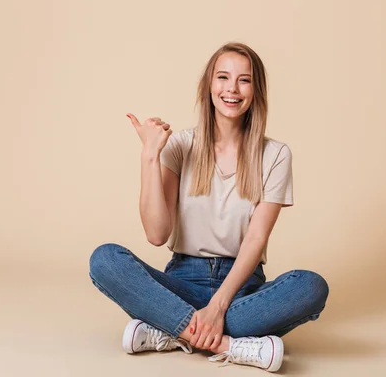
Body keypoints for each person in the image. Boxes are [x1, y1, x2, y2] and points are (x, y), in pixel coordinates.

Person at [89, 42, 329, 372]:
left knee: (311, 287)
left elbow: (256, 239)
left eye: (244, 80)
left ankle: (172, 331)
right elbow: (157, 234)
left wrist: (218, 306)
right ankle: (233, 345)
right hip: (182, 283)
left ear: (256, 90)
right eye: (223, 77)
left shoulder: (276, 155)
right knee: (105, 259)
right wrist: (149, 156)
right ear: (208, 86)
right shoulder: (180, 146)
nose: (232, 88)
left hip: (242, 288)